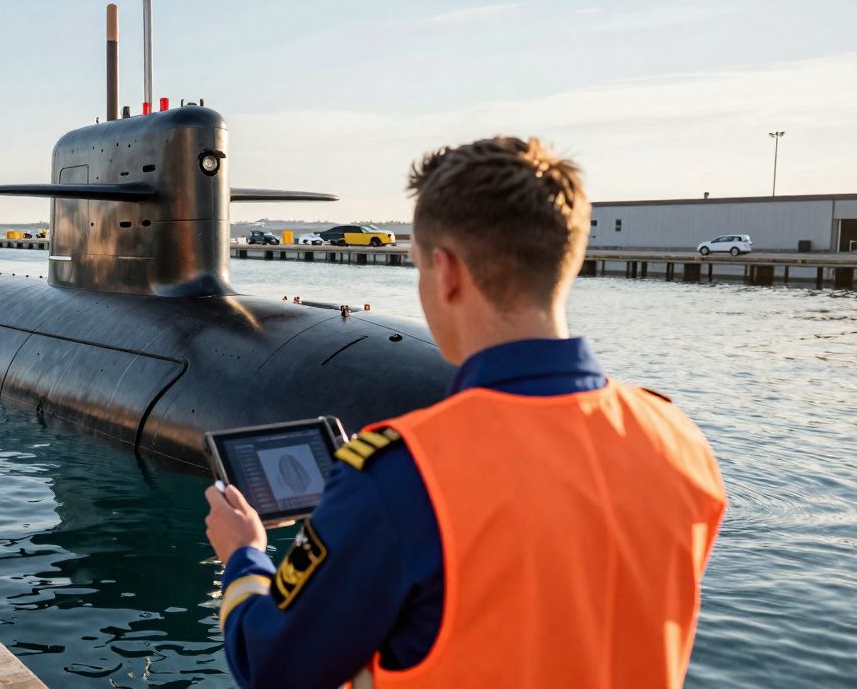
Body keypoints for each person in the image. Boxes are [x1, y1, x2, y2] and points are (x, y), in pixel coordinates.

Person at [205, 137, 727, 688]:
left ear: (446, 271)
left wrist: (244, 555)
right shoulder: (678, 439)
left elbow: (272, 667)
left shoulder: (403, 472)